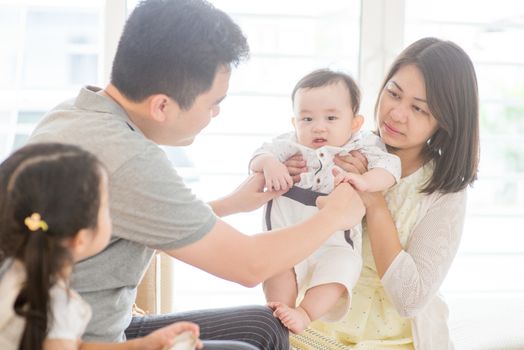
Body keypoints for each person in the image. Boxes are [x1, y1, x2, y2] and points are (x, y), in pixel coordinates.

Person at [25, 1, 365, 350]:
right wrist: (334, 216)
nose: (215, 114)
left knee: (265, 327)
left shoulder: (72, 113)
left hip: (100, 326)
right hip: (81, 341)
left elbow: (141, 216)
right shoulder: (129, 159)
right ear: (162, 106)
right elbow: (250, 266)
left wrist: (232, 204)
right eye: (212, 103)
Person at [287, 37, 479, 350]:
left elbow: (410, 299)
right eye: (393, 93)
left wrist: (373, 201)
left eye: (418, 109)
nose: (396, 114)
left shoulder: (445, 189)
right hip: (317, 320)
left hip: (396, 339)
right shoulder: (340, 146)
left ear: (445, 122)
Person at [0, 143, 203, 350]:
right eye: (106, 206)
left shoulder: (11, 273)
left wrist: (140, 346)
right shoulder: (58, 306)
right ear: (79, 239)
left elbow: (76, 347)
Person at [249, 69, 401, 334]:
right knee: (276, 268)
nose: (318, 126)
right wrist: (270, 164)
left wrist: (365, 181)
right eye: (306, 118)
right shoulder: (289, 145)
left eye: (331, 117)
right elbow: (258, 155)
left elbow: (390, 167)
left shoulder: (360, 145)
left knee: (343, 269)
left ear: (355, 123)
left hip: (334, 243)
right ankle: (279, 317)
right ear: (294, 122)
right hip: (286, 237)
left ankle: (304, 313)